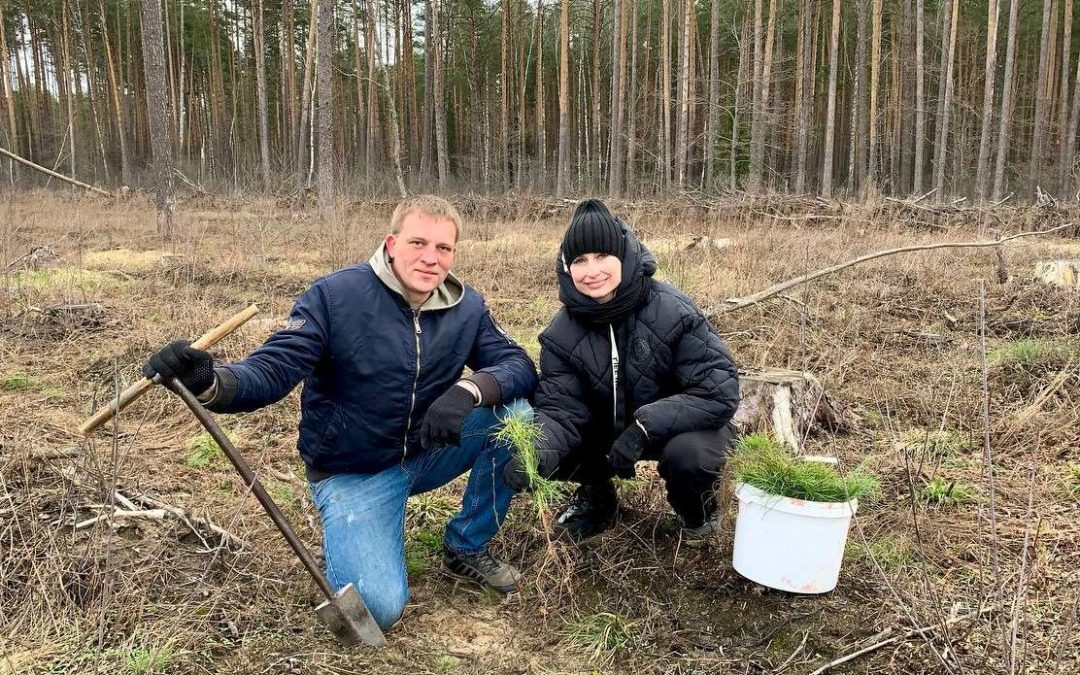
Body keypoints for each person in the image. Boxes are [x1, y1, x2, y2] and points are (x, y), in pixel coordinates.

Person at [142, 195, 537, 631]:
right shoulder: (335, 297)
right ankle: (358, 531)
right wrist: (209, 379)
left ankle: (466, 544)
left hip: (425, 453)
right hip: (354, 473)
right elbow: (273, 369)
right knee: (375, 610)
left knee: (515, 416)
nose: (430, 259)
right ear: (391, 243)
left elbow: (518, 365)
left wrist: (468, 390)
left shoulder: (467, 307)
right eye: (418, 243)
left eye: (443, 248)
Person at [504, 199, 740, 545]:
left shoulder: (673, 310)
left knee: (690, 457)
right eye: (580, 260)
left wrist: (645, 427)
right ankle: (598, 497)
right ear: (567, 268)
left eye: (602, 256)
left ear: (623, 256)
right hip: (606, 433)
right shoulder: (560, 333)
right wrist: (537, 453)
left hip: (675, 430)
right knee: (548, 447)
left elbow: (718, 391)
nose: (592, 270)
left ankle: (698, 515)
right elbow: (560, 410)